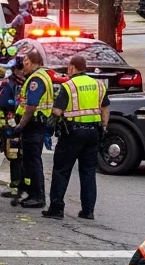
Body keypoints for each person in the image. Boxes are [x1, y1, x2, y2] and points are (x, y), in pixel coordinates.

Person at [43, 54, 108, 221]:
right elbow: (105, 109)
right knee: (88, 172)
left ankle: (56, 208)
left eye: (68, 67)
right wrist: (104, 127)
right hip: (93, 133)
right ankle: (88, 211)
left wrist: (53, 119)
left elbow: (57, 111)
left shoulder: (68, 86)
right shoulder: (98, 85)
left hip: (72, 133)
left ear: (72, 67)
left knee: (61, 170)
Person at [12, 46, 55, 208]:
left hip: (33, 125)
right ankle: (33, 193)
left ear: (35, 62)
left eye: (27, 62)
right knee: (31, 160)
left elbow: (31, 106)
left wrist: (20, 126)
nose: (24, 65)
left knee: (33, 161)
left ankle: (38, 196)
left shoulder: (36, 80)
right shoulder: (42, 76)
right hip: (37, 124)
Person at [0, 58, 26, 199]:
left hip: (25, 124)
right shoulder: (8, 84)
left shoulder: (29, 82)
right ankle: (15, 188)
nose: (22, 72)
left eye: (23, 69)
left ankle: (24, 187)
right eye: (19, 70)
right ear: (14, 70)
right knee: (13, 156)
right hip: (11, 125)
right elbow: (3, 103)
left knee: (24, 157)